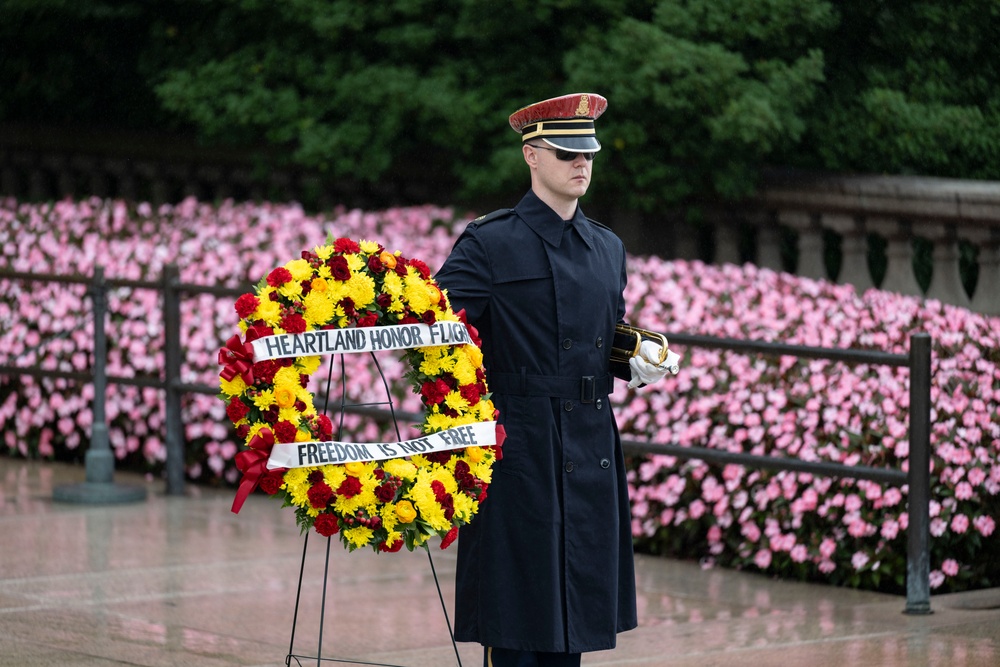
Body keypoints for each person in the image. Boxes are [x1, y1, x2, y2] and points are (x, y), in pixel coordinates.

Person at [434, 93, 676, 667]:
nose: (581, 164)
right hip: (521, 447)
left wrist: (633, 355)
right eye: (566, 152)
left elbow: (596, 337)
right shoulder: (489, 243)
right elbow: (434, 333)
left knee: (572, 628)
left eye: (587, 152)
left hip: (589, 442)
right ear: (531, 156)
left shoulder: (607, 248)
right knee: (518, 625)